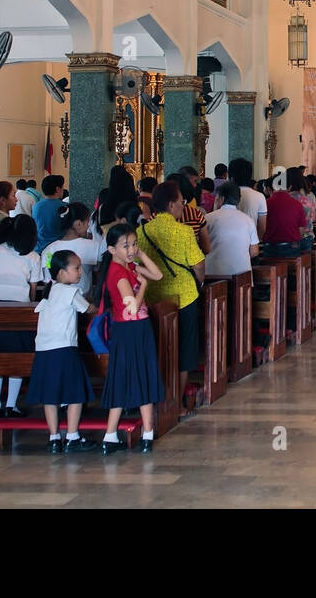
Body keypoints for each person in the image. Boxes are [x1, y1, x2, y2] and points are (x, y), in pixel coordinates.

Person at [99, 224, 164, 454]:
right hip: (129, 330)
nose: (131, 249)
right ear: (111, 250)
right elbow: (133, 306)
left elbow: (158, 274)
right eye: (125, 246)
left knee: (135, 376)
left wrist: (141, 254)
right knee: (131, 377)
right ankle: (115, 434)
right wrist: (143, 285)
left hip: (136, 329)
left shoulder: (129, 266)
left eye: (134, 244)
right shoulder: (117, 273)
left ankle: (143, 433)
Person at [136, 181, 205, 395]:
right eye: (180, 202)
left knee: (156, 343)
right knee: (184, 346)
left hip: (152, 295)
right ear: (171, 205)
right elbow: (199, 264)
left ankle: (155, 392)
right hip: (183, 295)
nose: (183, 206)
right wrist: (199, 283)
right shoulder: (184, 232)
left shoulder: (142, 231)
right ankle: (176, 395)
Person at [26, 249, 96, 453]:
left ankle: (54, 437)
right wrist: (95, 304)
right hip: (64, 348)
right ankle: (73, 436)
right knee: (75, 392)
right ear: (61, 273)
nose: (80, 272)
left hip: (44, 350)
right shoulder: (70, 292)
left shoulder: (49, 292)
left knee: (50, 395)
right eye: (76, 268)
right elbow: (88, 309)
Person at [0, 215, 42, 418]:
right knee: (17, 358)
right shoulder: (32, 256)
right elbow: (33, 290)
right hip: (18, 311)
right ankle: (11, 405)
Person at [42, 202, 103, 295]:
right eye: (87, 222)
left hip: (56, 299)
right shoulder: (93, 246)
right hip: (85, 299)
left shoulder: (49, 250)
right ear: (78, 224)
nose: (88, 226)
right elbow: (99, 274)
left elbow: (47, 280)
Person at [204, 182, 260, 277]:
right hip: (242, 277)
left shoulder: (208, 218)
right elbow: (254, 252)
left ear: (221, 199)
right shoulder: (248, 220)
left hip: (213, 275)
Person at [263, 174, 309, 257]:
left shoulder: (265, 203)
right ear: (289, 187)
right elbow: (301, 229)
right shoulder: (297, 204)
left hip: (270, 248)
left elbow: (261, 226)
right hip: (291, 248)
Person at [230, 158, 267, 239]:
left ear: (231, 176)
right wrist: (255, 240)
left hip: (229, 241)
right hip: (251, 240)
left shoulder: (224, 194)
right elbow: (262, 227)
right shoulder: (259, 196)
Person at [32, 175, 65, 254]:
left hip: (39, 249)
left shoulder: (36, 206)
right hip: (58, 250)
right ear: (57, 189)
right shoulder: (64, 207)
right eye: (62, 188)